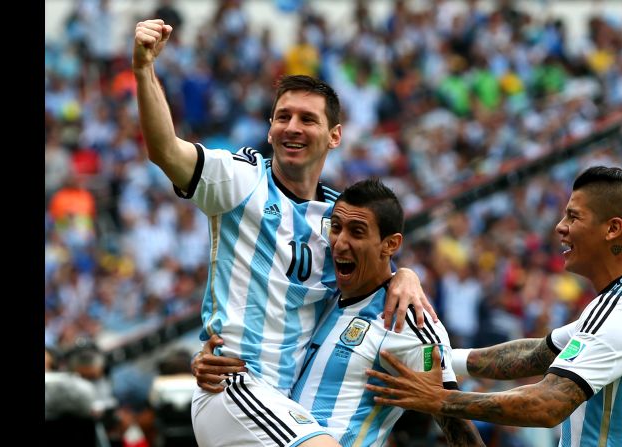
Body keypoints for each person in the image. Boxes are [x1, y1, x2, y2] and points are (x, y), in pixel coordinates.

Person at [133, 19, 434, 447]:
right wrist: (144, 70)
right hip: (236, 387)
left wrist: (407, 275)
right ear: (270, 128)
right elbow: (164, 149)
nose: (292, 127)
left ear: (334, 136)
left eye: (307, 119)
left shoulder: (339, 219)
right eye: (283, 117)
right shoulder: (239, 180)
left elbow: (376, 272)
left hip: (290, 403)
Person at [366, 166, 622, 447]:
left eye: (573, 216)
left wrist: (439, 399)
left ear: (612, 229)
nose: (560, 226)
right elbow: (535, 354)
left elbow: (546, 404)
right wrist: (442, 358)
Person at [289, 178, 484, 446]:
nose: (340, 243)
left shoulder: (408, 320)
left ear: (390, 245)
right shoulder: (322, 291)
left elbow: (459, 427)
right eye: (336, 228)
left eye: (356, 232)